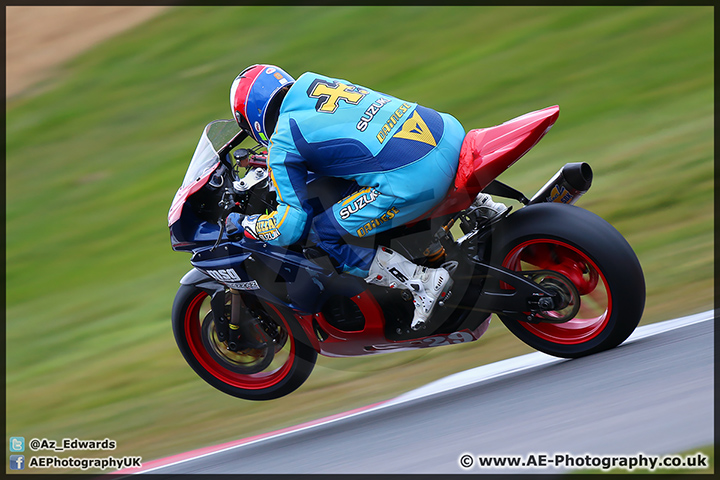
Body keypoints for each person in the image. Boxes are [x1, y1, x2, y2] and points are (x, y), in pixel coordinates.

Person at [225, 64, 505, 330]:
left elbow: (291, 225)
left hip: (415, 178)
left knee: (321, 234)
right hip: (445, 133)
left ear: (252, 117)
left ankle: (422, 282)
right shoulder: (317, 85)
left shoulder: (283, 142)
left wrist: (249, 224)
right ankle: (479, 205)